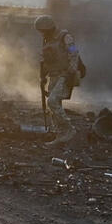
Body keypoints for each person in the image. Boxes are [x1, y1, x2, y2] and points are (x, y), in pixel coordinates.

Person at [35, 15, 81, 146]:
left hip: (64, 75)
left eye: (42, 30)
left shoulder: (64, 37)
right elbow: (46, 60)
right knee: (55, 106)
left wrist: (71, 70)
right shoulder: (47, 40)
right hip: (53, 76)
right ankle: (60, 134)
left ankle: (69, 130)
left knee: (52, 101)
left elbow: (73, 52)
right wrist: (43, 76)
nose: (41, 33)